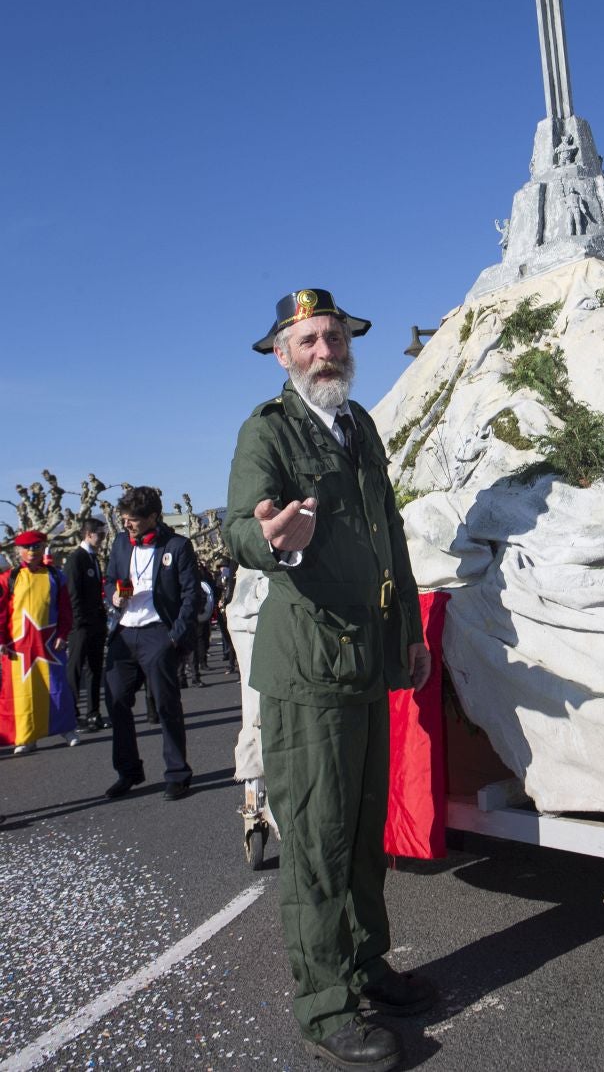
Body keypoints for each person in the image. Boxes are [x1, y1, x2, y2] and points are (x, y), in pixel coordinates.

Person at [224, 287, 434, 1072]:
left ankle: (368, 967)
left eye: (335, 338)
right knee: (315, 842)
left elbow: (392, 535)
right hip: (309, 669)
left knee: (361, 837)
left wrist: (408, 630)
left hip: (368, 661)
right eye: (308, 341)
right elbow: (242, 523)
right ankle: (325, 1005)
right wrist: (270, 540)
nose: (325, 352)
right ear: (283, 354)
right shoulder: (268, 430)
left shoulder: (360, 425)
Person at [104, 486, 200, 801]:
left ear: (153, 517)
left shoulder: (178, 546)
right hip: (124, 632)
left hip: (158, 632)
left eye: (133, 520)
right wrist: (114, 597)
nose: (127, 525)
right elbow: (108, 582)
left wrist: (175, 637)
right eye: (124, 519)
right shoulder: (119, 544)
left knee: (165, 705)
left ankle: (177, 774)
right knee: (117, 701)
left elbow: (190, 594)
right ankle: (128, 771)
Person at [0, 530, 79, 753]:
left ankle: (67, 728)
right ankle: (26, 736)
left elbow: (65, 610)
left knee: (57, 687)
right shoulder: (8, 579)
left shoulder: (56, 576)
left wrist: (63, 634)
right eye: (27, 548)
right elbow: (1, 613)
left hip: (50, 645)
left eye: (36, 547)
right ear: (18, 551)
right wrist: (2, 640)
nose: (32, 552)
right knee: (22, 692)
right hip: (19, 647)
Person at [64, 516, 109, 732]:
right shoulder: (76, 559)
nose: (102, 539)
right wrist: (78, 622)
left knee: (94, 668)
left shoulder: (93, 558)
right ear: (88, 534)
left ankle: (94, 713)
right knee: (75, 670)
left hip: (95, 624)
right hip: (79, 626)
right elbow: (72, 594)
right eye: (99, 535)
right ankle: (72, 714)